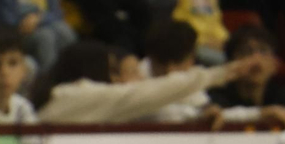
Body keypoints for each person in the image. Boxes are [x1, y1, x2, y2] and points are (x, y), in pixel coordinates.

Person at [32, 37, 266, 122]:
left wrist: (260, 114)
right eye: (112, 70)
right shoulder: (72, 96)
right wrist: (222, 73)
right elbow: (154, 92)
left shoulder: (78, 99)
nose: (116, 79)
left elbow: (170, 114)